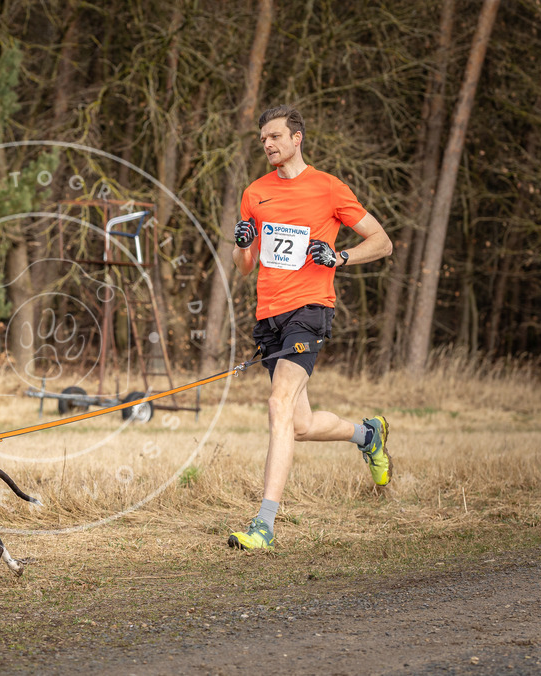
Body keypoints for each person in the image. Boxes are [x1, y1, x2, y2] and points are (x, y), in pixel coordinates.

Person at [227, 105, 394, 550]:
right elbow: (244, 267)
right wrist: (242, 244)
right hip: (269, 315)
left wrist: (340, 257)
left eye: (276, 137)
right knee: (298, 424)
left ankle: (264, 524)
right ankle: (368, 433)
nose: (268, 144)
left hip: (310, 310)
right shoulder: (254, 193)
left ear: (297, 138)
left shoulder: (329, 188)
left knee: (278, 405)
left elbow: (381, 242)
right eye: (263, 139)